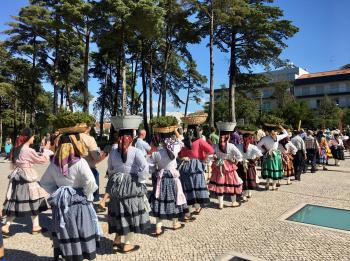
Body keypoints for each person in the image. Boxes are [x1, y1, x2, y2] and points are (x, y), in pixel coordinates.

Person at [40, 133, 100, 261]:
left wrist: (57, 192)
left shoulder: (54, 164)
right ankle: (78, 255)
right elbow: (90, 182)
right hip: (77, 202)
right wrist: (87, 195)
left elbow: (44, 182)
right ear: (73, 146)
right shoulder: (80, 162)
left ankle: (67, 255)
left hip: (61, 203)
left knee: (64, 230)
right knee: (80, 229)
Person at [2, 128, 53, 236]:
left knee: (18, 202)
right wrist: (47, 151)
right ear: (28, 137)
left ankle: (32, 226)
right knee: (33, 202)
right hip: (27, 178)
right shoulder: (27, 150)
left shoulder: (17, 148)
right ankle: (10, 226)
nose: (34, 138)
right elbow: (42, 160)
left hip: (18, 177)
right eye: (33, 136)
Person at [106, 128, 150, 254]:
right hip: (131, 185)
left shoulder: (113, 152)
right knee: (130, 213)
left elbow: (110, 169)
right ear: (131, 138)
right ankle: (127, 244)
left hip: (117, 185)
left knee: (118, 212)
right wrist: (140, 179)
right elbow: (145, 167)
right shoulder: (136, 151)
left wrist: (116, 178)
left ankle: (117, 240)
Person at [148, 132, 188, 236]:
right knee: (175, 199)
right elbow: (181, 140)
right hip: (173, 178)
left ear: (161, 140)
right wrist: (175, 130)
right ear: (171, 139)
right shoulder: (175, 148)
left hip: (161, 178)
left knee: (159, 201)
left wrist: (156, 171)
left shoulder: (157, 152)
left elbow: (150, 166)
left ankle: (158, 228)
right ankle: (175, 223)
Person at [178, 125, 214, 215]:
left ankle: (188, 213)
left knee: (187, 188)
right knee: (197, 188)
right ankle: (197, 208)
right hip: (196, 166)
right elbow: (211, 150)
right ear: (196, 131)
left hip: (185, 167)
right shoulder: (199, 141)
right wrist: (204, 159)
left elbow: (180, 155)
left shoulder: (184, 141)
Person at [208, 129, 243, 209]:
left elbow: (210, 156)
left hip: (218, 166)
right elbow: (239, 156)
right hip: (229, 167)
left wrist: (215, 159)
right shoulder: (231, 146)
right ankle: (233, 202)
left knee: (220, 184)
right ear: (228, 137)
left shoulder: (215, 146)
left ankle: (221, 204)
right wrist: (235, 163)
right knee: (232, 183)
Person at [80, 124, 106, 203]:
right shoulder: (89, 139)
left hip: (73, 167)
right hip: (88, 168)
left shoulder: (71, 137)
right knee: (96, 174)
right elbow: (96, 157)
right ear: (88, 128)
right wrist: (103, 155)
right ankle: (95, 198)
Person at [257, 125, 288, 191]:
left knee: (268, 170)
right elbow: (286, 134)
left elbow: (258, 146)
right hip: (276, 155)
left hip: (268, 154)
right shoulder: (277, 137)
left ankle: (267, 184)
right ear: (275, 131)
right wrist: (282, 128)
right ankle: (273, 186)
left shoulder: (265, 138)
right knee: (275, 169)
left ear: (267, 131)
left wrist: (264, 150)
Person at [236, 132, 263, 200]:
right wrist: (253, 160)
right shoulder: (252, 146)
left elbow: (235, 155)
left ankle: (245, 193)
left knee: (243, 179)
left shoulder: (239, 146)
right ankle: (247, 193)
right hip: (248, 164)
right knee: (247, 179)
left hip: (241, 164)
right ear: (250, 138)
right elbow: (260, 154)